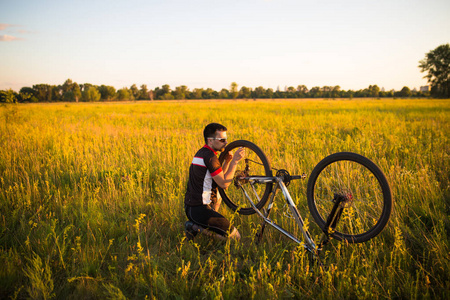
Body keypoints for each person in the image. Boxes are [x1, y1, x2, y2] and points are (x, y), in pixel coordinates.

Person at [184, 123, 245, 241]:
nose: (226, 142)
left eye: (226, 139)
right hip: (199, 209)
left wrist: (227, 162)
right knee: (236, 238)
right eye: (222, 140)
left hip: (192, 207)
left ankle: (205, 224)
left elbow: (219, 181)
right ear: (210, 141)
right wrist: (234, 162)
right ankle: (195, 227)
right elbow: (224, 184)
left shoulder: (203, 153)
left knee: (218, 194)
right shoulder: (210, 158)